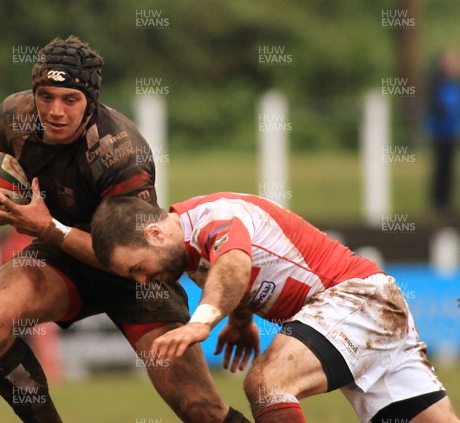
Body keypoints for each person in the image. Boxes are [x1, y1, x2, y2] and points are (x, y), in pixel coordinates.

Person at [0, 36, 249, 423]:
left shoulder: (122, 153)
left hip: (135, 270)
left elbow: (128, 257)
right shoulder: (16, 114)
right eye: (46, 96)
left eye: (69, 100)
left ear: (90, 101)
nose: (55, 111)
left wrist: (48, 228)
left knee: (200, 409)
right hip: (60, 254)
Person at [90, 192, 460, 423]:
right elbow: (240, 271)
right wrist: (239, 320)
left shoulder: (210, 219)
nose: (142, 281)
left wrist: (201, 323)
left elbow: (233, 264)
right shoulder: (190, 251)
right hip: (367, 315)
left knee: (267, 383)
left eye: (138, 268)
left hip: (358, 301)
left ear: (155, 234)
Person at [425, 48, 460, 216]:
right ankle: (438, 204)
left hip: (452, 132)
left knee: (449, 169)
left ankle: (446, 204)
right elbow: (436, 107)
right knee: (441, 168)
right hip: (440, 132)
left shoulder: (452, 83)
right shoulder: (436, 82)